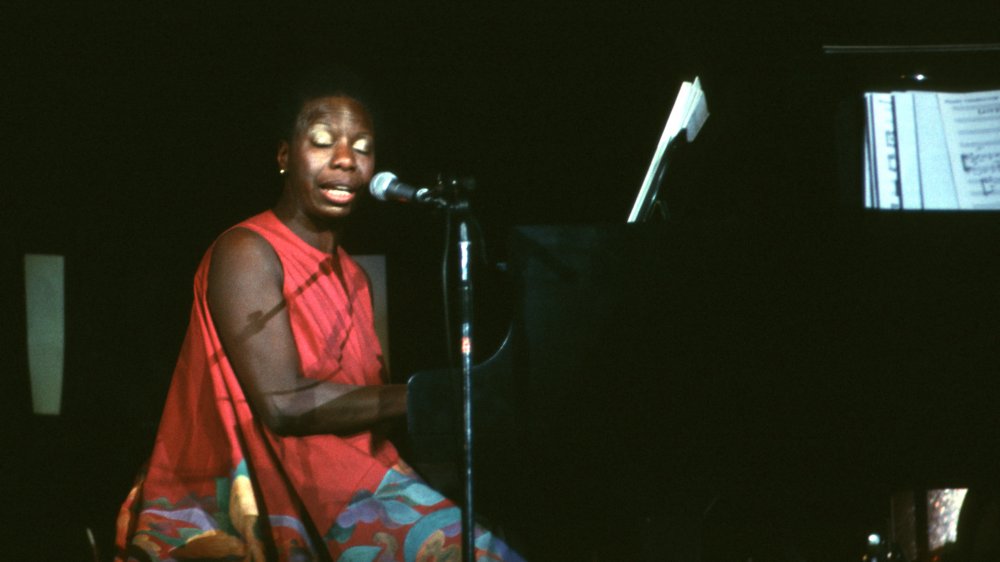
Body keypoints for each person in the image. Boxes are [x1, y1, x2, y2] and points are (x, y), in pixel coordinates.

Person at [114, 69, 522, 562]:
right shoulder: (247, 249)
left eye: (363, 147)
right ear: (285, 156)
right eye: (323, 142)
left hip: (343, 484)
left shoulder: (356, 277)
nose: (346, 160)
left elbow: (365, 411)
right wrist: (436, 393)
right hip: (257, 499)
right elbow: (284, 405)